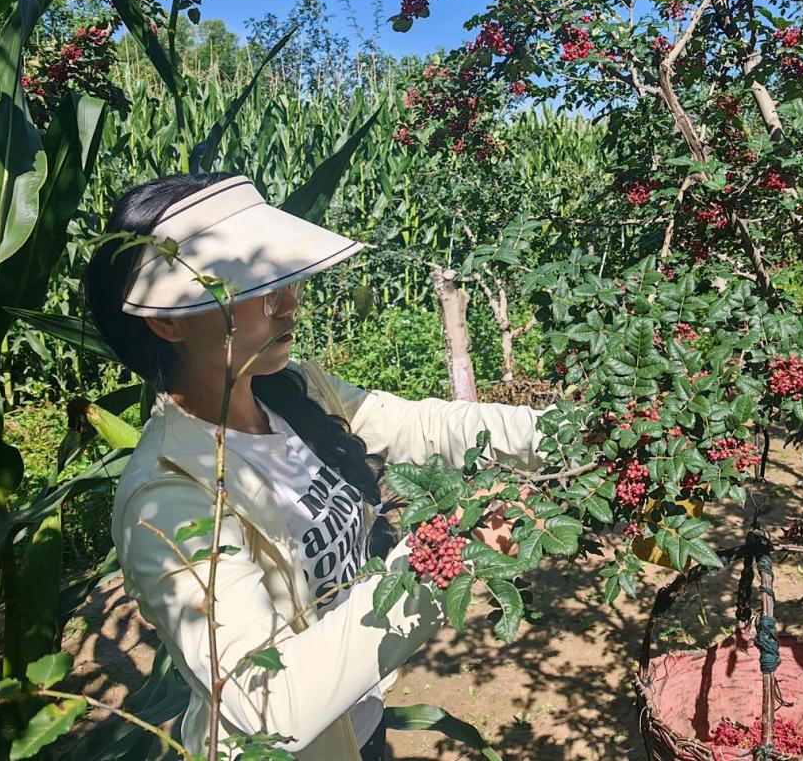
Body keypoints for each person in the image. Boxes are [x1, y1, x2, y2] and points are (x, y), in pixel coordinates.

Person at [85, 173, 544, 761]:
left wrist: (565, 435)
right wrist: (442, 552)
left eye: (284, 279)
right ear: (168, 321)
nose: (288, 302)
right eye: (255, 287)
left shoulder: (292, 391)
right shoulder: (168, 497)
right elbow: (266, 704)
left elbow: (416, 425)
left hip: (358, 722)